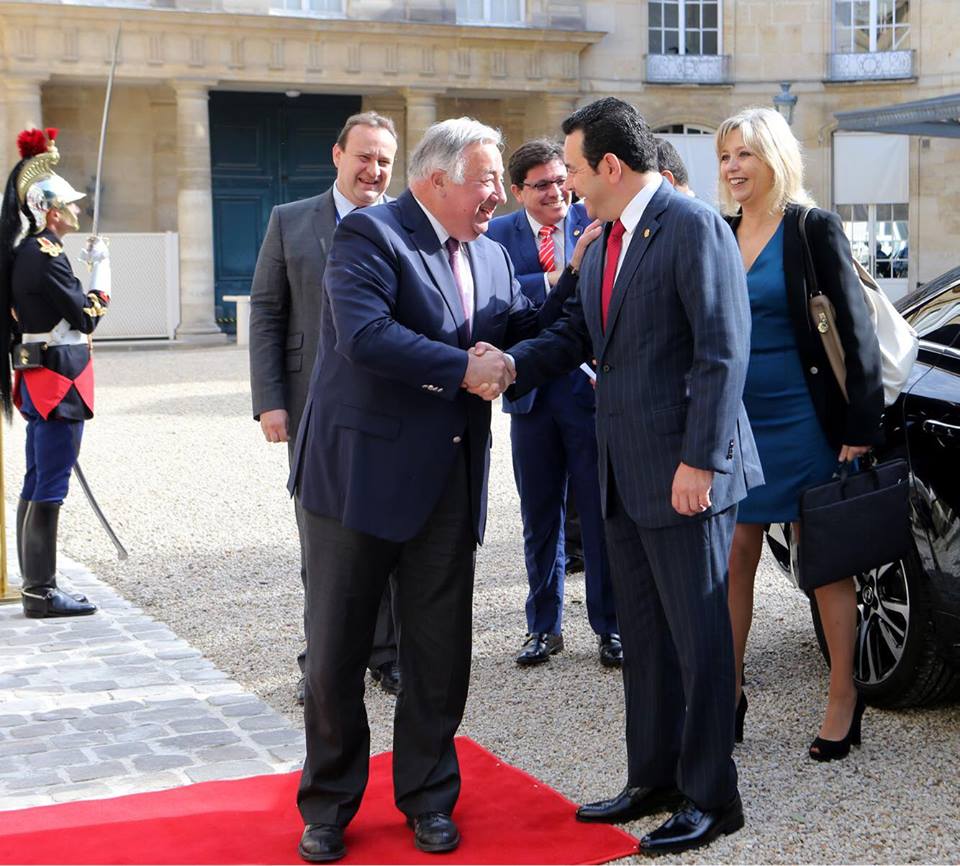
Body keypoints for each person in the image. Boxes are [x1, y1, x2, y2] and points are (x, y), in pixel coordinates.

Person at [290, 117, 575, 862]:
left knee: (440, 652)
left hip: (448, 484)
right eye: (486, 180)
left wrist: (579, 284)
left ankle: (428, 798)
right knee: (336, 652)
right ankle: (329, 803)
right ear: (435, 179)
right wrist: (466, 368)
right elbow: (364, 335)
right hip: (355, 481)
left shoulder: (491, 252)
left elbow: (518, 327)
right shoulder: (371, 237)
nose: (496, 195)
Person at [500, 97, 763, 856]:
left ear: (610, 166)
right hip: (623, 473)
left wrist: (698, 461)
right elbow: (580, 334)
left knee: (700, 641)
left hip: (687, 475)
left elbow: (722, 351)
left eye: (575, 169)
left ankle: (714, 797)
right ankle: (654, 777)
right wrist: (511, 364)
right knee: (645, 639)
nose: (569, 183)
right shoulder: (606, 237)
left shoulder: (692, 226)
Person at [716, 107, 883, 761]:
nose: (732, 167)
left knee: (824, 567)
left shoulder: (811, 228)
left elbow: (856, 328)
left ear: (775, 159)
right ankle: (727, 694)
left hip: (807, 419)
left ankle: (844, 694)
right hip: (739, 422)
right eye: (726, 156)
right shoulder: (720, 231)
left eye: (745, 155)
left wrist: (859, 426)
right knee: (733, 560)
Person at [249, 112, 402, 704]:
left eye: (385, 160)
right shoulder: (290, 222)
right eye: (364, 156)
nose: (374, 169)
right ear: (337, 155)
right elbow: (266, 313)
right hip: (312, 406)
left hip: (388, 409)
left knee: (388, 533)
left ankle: (387, 655)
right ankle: (323, 659)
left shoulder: (402, 224)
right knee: (324, 540)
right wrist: (269, 403)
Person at [486, 139, 618, 668]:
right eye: (540, 185)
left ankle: (611, 626)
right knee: (540, 516)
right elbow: (494, 298)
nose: (555, 193)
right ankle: (543, 626)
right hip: (531, 395)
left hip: (587, 392)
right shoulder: (497, 234)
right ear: (517, 191)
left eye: (561, 181)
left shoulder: (596, 218)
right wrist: (554, 276)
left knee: (598, 511)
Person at [0, 127, 111, 618]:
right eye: (69, 205)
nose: (77, 211)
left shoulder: (31, 254)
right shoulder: (43, 257)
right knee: (50, 484)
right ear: (50, 211)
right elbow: (87, 316)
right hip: (59, 382)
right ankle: (41, 592)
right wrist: (101, 270)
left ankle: (36, 584)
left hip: (41, 379)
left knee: (37, 478)